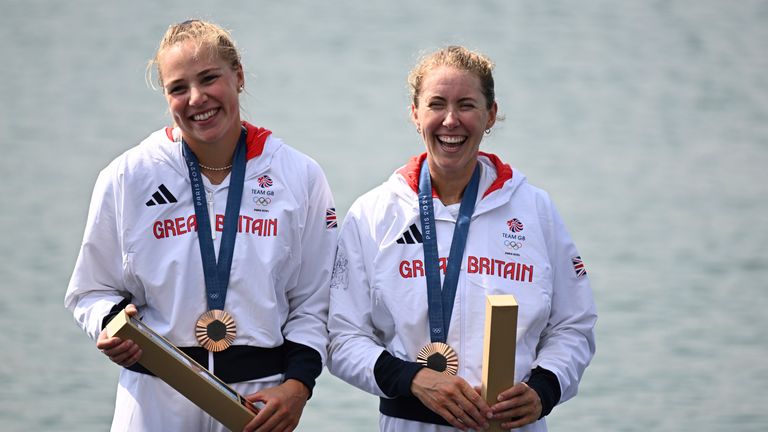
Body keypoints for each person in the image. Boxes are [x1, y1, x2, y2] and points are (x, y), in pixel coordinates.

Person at [64, 19, 337, 432]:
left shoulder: (299, 176)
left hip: (258, 401)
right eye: (178, 88)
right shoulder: (128, 176)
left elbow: (314, 302)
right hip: (155, 391)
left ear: (239, 76)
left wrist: (297, 386)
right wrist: (111, 322)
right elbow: (91, 290)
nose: (196, 98)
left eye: (210, 78)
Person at [327, 46, 597, 431]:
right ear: (415, 114)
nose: (450, 120)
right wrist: (413, 379)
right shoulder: (374, 213)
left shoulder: (535, 209)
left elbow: (574, 325)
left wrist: (544, 388)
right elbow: (341, 337)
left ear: (490, 115)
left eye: (466, 105)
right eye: (437, 104)